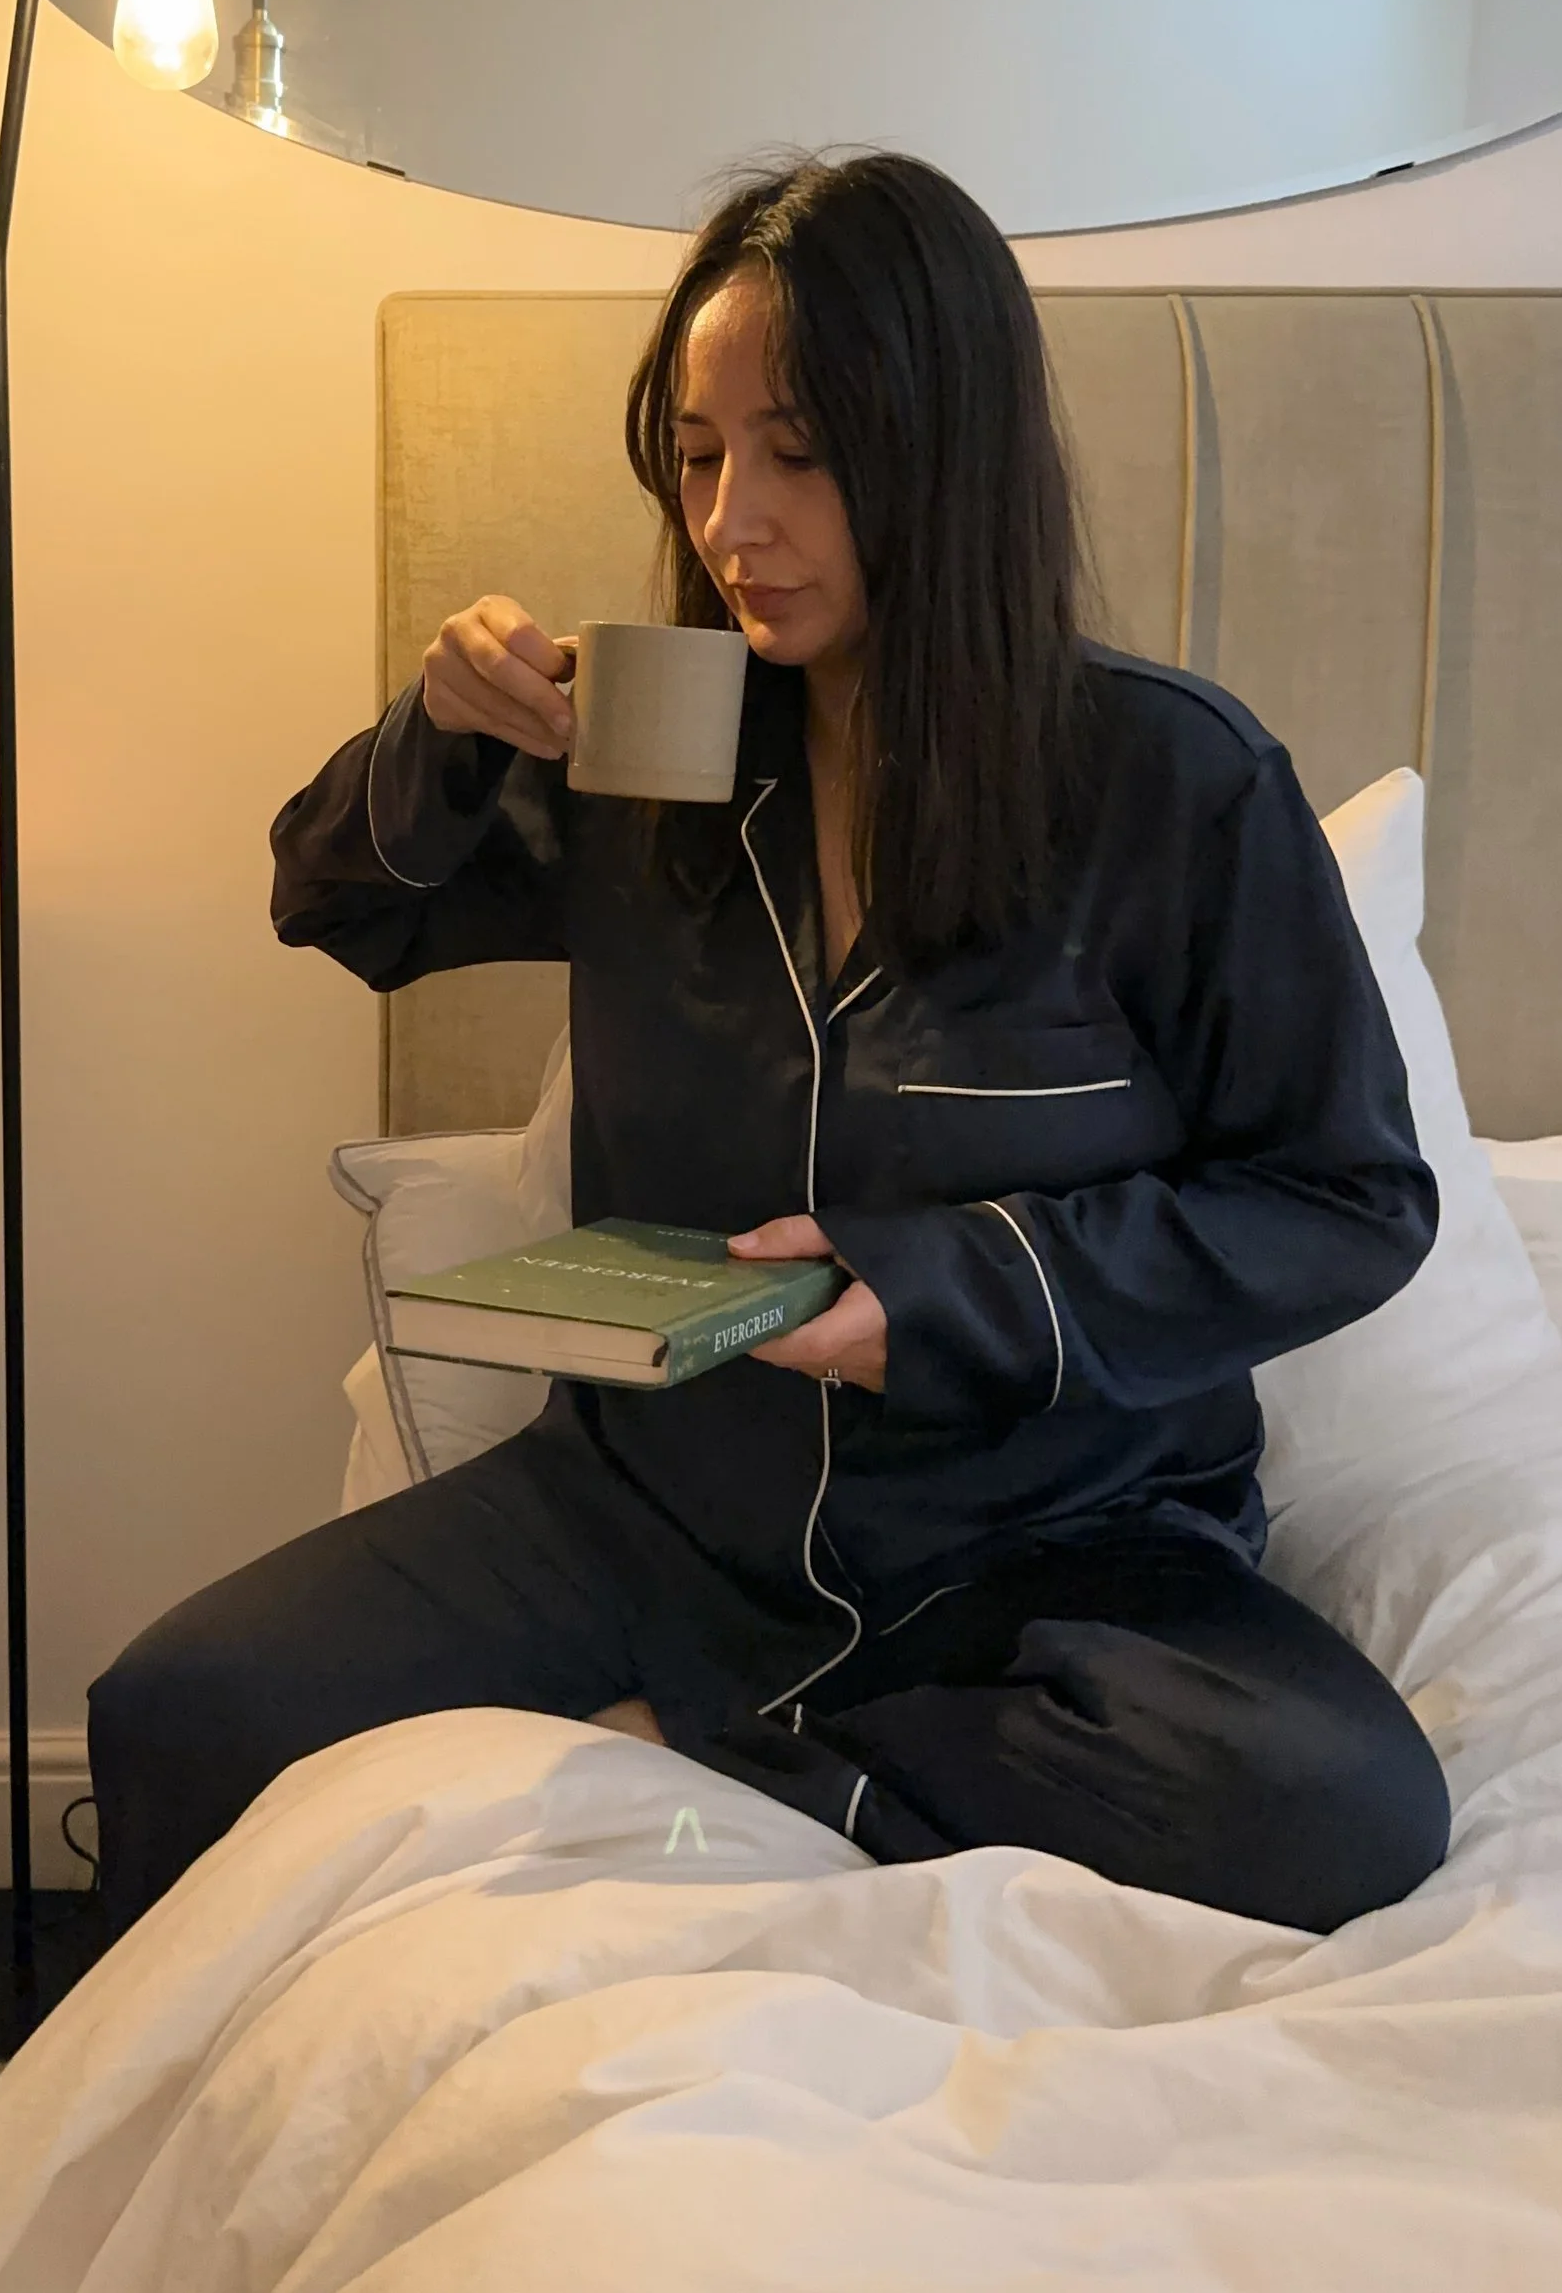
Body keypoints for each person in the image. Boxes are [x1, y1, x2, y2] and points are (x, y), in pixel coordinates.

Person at [87, 151, 1451, 1945]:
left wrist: (948, 1292)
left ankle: (744, 1762)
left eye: (800, 452)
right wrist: (438, 733)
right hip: (649, 1509)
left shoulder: (1170, 787)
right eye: (701, 453)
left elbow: (1344, 1196)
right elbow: (341, 906)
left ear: (942, 448)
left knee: (1337, 1807)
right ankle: (761, 1743)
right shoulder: (658, 743)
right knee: (177, 1712)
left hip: (1047, 1539)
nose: (737, 518)